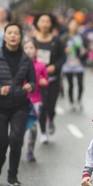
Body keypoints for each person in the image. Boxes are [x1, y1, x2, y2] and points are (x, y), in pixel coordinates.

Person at [0, 22, 36, 186]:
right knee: (1, 141)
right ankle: (0, 160)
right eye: (10, 33)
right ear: (4, 36)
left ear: (20, 37)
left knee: (16, 139)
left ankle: (12, 175)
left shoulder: (26, 59)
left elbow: (33, 81)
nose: (13, 36)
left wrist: (30, 86)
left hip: (19, 105)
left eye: (16, 33)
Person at [33, 13, 66, 142]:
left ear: (51, 24)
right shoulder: (33, 40)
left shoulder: (56, 41)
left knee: (50, 107)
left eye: (47, 21)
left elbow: (63, 58)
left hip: (52, 80)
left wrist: (54, 67)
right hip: (37, 81)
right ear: (37, 23)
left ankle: (51, 119)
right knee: (42, 107)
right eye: (42, 21)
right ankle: (43, 132)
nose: (45, 24)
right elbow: (27, 57)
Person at [23, 39, 49, 162]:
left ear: (36, 50)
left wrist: (44, 82)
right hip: (20, 100)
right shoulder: (18, 65)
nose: (29, 50)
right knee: (19, 127)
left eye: (31, 47)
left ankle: (30, 151)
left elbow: (46, 80)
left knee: (33, 127)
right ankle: (18, 145)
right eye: (26, 48)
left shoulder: (41, 65)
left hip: (36, 100)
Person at [61, 18, 88, 112]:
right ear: (68, 26)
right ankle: (72, 102)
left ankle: (79, 100)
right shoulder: (64, 37)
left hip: (79, 64)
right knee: (70, 84)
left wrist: (85, 52)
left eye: (75, 24)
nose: (74, 26)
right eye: (72, 24)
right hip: (68, 64)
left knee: (80, 84)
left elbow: (87, 48)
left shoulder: (81, 37)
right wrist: (64, 50)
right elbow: (59, 49)